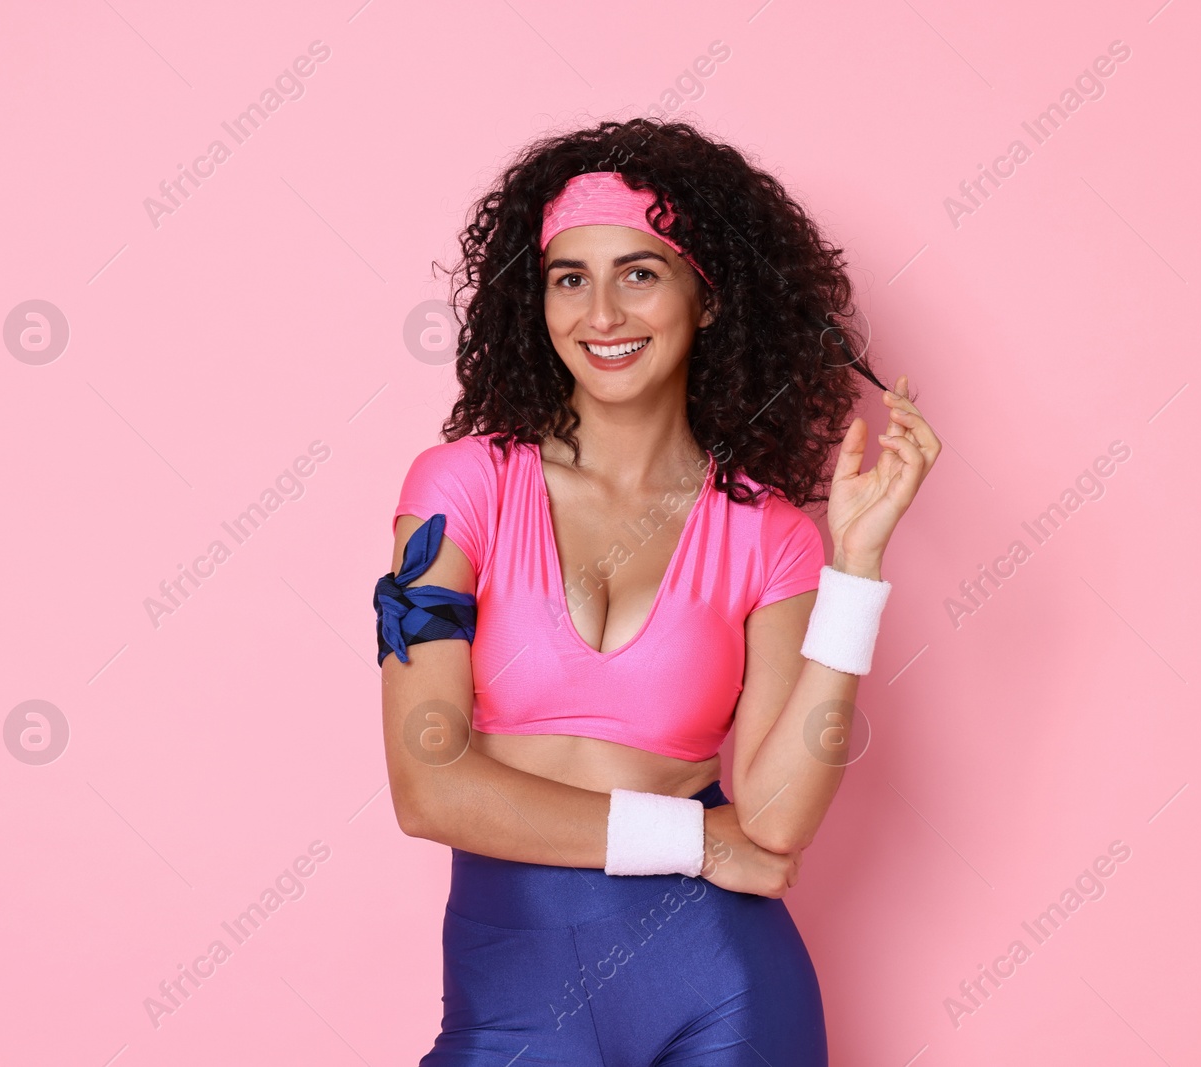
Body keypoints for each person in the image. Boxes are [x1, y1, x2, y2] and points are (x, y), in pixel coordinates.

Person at [379, 117, 938, 1065]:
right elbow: (427, 786)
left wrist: (855, 567)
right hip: (510, 1000)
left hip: (725, 990)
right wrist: (696, 841)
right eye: (570, 278)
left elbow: (775, 817)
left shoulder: (771, 537)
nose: (601, 313)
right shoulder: (461, 487)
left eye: (639, 272)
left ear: (707, 299)